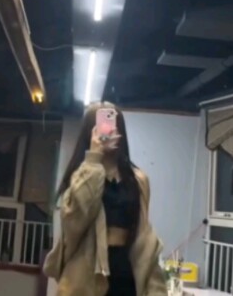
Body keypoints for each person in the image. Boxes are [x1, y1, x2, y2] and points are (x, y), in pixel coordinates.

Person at [43, 102, 167, 296]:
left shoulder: (138, 180)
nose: (109, 130)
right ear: (90, 132)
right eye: (102, 125)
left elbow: (144, 236)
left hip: (127, 276)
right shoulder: (81, 177)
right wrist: (94, 157)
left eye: (114, 125)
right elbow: (75, 221)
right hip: (86, 278)